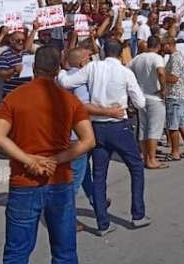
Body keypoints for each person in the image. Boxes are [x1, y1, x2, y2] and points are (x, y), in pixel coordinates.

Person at [0, 46, 95, 263]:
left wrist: (29, 160)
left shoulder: (14, 98)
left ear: (34, 67)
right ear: (59, 69)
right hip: (59, 178)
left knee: (17, 253)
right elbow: (88, 140)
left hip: (24, 179)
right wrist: (55, 160)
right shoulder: (70, 100)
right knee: (64, 251)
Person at [57, 39, 150, 236]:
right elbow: (140, 103)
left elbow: (64, 82)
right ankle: (138, 214)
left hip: (97, 127)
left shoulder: (92, 68)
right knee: (136, 167)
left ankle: (103, 223)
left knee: (99, 176)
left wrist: (62, 67)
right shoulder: (125, 72)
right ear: (121, 52)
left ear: (103, 50)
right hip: (119, 126)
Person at [63, 47, 123, 231]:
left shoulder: (65, 77)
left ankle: (97, 201)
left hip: (70, 134)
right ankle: (66, 220)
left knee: (85, 175)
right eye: (89, 58)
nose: (92, 61)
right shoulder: (78, 82)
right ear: (82, 62)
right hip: (78, 137)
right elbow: (83, 107)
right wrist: (109, 111)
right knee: (73, 181)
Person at [128, 36, 167, 170]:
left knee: (143, 128)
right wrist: (163, 89)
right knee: (154, 129)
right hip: (155, 97)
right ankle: (151, 158)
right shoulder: (156, 58)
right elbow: (161, 72)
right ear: (158, 46)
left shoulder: (137, 58)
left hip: (141, 97)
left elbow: (128, 71)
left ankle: (145, 156)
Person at [161, 38, 184, 161]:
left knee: (173, 125)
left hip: (175, 96)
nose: (161, 47)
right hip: (182, 94)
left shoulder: (175, 58)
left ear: (169, 45)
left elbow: (174, 78)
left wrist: (160, 76)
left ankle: (175, 152)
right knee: (181, 122)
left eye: (163, 45)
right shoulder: (177, 56)